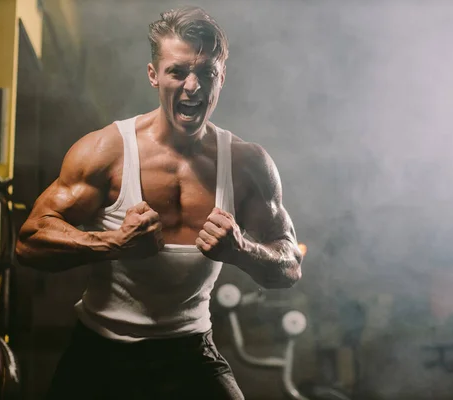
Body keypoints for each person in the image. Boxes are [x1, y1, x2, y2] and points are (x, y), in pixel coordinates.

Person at [16, 6, 303, 399]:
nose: (193, 87)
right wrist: (112, 244)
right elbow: (29, 242)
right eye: (178, 71)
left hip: (190, 350)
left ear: (222, 78)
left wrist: (242, 250)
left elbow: (289, 267)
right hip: (101, 349)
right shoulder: (107, 151)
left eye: (206, 73)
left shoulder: (247, 165)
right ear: (154, 75)